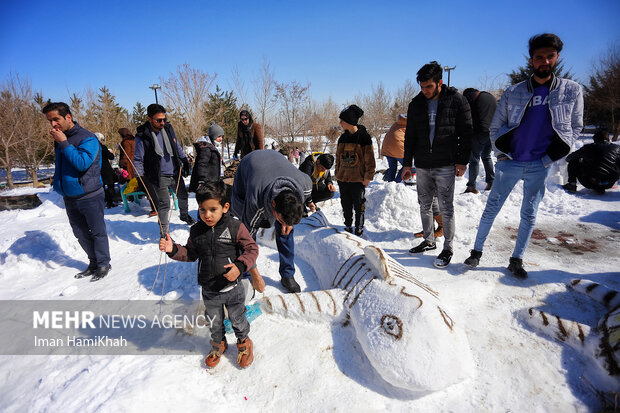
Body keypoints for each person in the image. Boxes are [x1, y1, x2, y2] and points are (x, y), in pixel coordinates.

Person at [464, 33, 584, 279]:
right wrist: (501, 154)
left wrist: (549, 159)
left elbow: (575, 128)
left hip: (540, 164)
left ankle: (516, 259)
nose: (545, 62)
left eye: (550, 56)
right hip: (512, 161)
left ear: (557, 57)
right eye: (539, 57)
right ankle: (476, 252)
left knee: (529, 214)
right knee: (491, 209)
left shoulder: (571, 91)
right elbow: (495, 127)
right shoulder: (514, 92)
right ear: (531, 60)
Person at [159, 181, 258, 368]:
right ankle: (218, 343)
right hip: (209, 288)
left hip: (233, 287)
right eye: (203, 210)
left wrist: (239, 265)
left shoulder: (235, 227)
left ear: (225, 207)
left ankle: (244, 341)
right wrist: (173, 249)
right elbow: (190, 253)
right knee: (214, 320)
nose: (207, 215)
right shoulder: (196, 231)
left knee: (237, 317)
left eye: (213, 209)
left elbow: (251, 248)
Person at [402, 61, 473, 268]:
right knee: (424, 205)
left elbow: (466, 132)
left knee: (446, 206)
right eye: (422, 87)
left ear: (439, 82)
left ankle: (448, 247)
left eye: (429, 87)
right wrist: (407, 164)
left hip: (446, 163)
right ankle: (429, 240)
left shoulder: (456, 100)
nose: (424, 91)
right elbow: (410, 136)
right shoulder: (416, 104)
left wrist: (462, 160)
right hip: (423, 163)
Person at [42, 102, 111, 281]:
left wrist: (64, 143)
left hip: (90, 194)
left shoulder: (87, 138)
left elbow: (81, 163)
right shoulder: (60, 138)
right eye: (49, 121)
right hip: (69, 196)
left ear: (68, 117)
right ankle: (93, 262)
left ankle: (104, 263)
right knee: (80, 234)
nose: (53, 125)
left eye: (55, 119)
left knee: (97, 232)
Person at [230, 150, 312, 294]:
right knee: (242, 223)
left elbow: (297, 207)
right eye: (280, 219)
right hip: (249, 166)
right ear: (273, 204)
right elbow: (246, 239)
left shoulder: (305, 185)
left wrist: (288, 223)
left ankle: (287, 275)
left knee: (286, 231)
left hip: (274, 161)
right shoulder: (255, 201)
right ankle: (246, 275)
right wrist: (256, 275)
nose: (284, 224)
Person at [133, 104, 195, 235]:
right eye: (159, 120)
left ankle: (184, 216)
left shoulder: (168, 128)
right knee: (164, 204)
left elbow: (176, 145)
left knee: (183, 195)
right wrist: (140, 177)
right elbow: (138, 159)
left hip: (174, 171)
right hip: (158, 175)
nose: (162, 123)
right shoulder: (142, 136)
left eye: (164, 119)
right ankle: (164, 231)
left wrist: (184, 159)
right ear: (149, 119)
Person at [335, 104, 376, 237]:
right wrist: (337, 173)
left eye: (342, 120)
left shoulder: (364, 138)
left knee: (359, 205)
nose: (340, 123)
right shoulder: (342, 138)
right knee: (345, 205)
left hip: (358, 179)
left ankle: (359, 227)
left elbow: (370, 160)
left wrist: (368, 177)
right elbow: (338, 158)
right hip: (343, 179)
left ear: (349, 121)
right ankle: (347, 225)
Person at [562, 129, 620, 194]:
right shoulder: (617, 148)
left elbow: (569, 158)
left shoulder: (588, 147)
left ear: (595, 139)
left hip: (589, 182)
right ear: (608, 139)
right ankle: (601, 186)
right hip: (610, 183)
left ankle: (572, 185)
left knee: (574, 160)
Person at [462, 88, 497, 193]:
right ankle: (491, 181)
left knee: (474, 159)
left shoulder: (472, 99)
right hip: (492, 131)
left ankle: (471, 186)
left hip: (479, 132)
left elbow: (469, 117)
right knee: (486, 157)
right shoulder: (490, 97)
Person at [188, 122, 224, 193]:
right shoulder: (206, 149)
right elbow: (201, 164)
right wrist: (201, 180)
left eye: (222, 136)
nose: (221, 139)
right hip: (207, 183)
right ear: (213, 136)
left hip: (211, 182)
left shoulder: (211, 147)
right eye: (219, 136)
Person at [381, 114, 407, 183]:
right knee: (407, 165)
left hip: (387, 148)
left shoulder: (396, 124)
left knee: (392, 168)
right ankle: (396, 183)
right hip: (397, 149)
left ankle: (390, 185)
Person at [95, 133, 117, 208]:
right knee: (110, 185)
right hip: (105, 169)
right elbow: (111, 157)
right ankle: (110, 201)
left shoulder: (91, 148)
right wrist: (110, 154)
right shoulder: (102, 147)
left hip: (96, 169)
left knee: (102, 186)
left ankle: (104, 201)